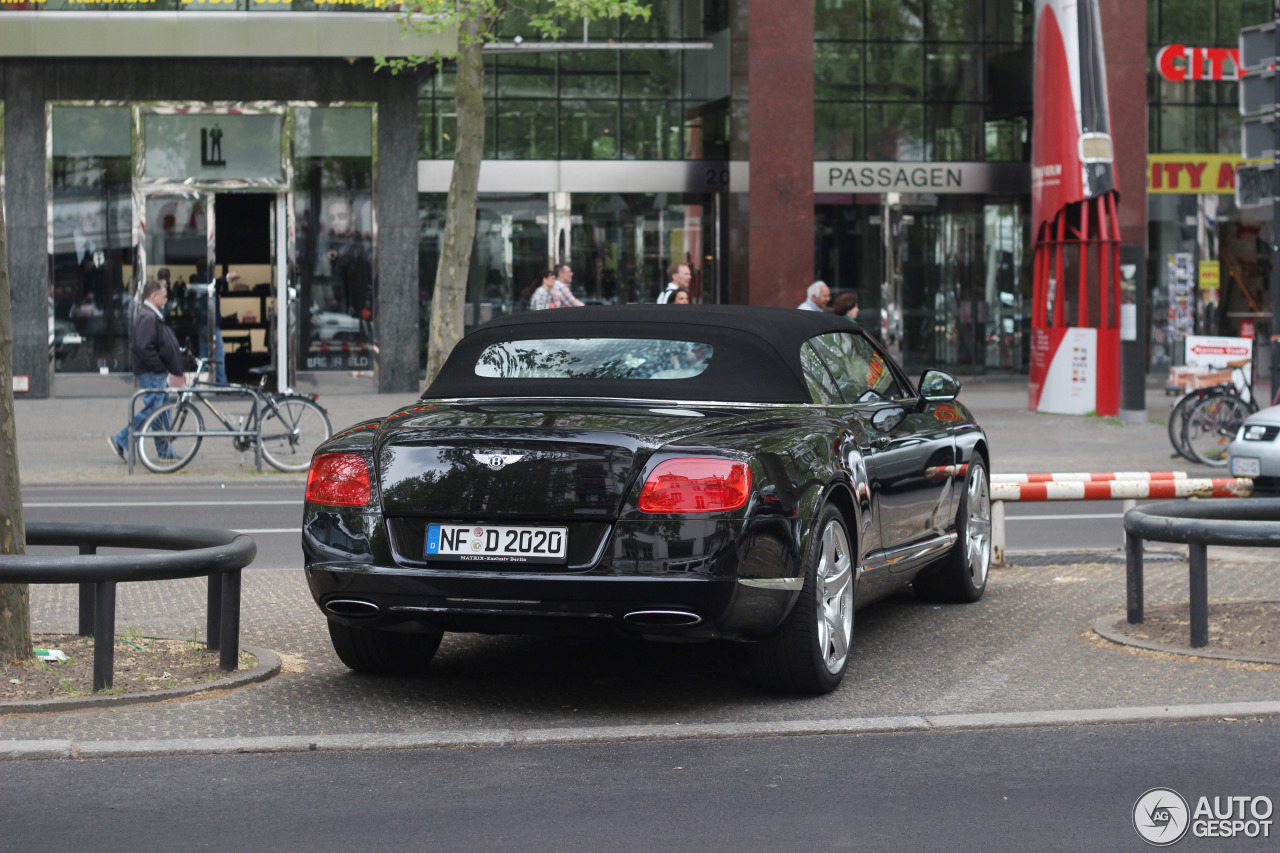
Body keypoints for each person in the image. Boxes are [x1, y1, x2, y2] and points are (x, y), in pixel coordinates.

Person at [108, 279, 184, 461]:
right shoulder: (148, 316)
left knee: (161, 410)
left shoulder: (149, 315)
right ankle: (121, 439)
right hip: (152, 372)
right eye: (164, 296)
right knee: (154, 409)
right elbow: (143, 346)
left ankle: (165, 451)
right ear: (154, 296)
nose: (166, 300)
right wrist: (159, 366)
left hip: (154, 371)